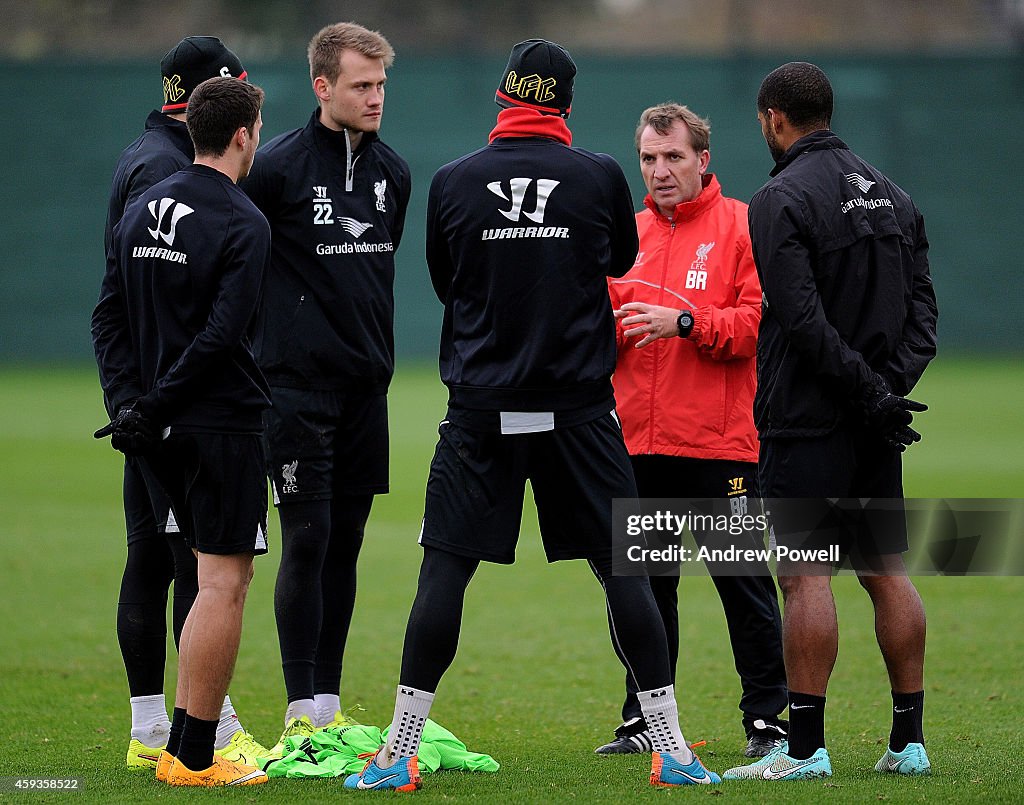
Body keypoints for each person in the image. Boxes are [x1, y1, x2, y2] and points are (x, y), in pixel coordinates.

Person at [344, 39, 720, 793]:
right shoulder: (599, 176)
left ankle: (401, 749)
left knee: (444, 569)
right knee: (626, 571)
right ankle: (672, 746)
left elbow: (448, 282)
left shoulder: (452, 181)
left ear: (504, 97)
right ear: (566, 106)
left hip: (481, 410)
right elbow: (617, 260)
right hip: (580, 411)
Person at [723, 62, 937, 781]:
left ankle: (807, 750)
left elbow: (799, 317)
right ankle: (908, 741)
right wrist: (886, 393)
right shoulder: (895, 194)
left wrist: (864, 394)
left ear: (774, 119)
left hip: (809, 419)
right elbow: (924, 317)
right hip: (877, 420)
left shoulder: (779, 196)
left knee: (805, 577)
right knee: (885, 569)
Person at [92, 76, 272, 787]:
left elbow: (107, 315)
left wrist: (132, 406)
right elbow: (223, 337)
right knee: (225, 580)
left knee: (202, 578)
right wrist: (159, 403)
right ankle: (195, 755)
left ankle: (183, 743)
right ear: (242, 136)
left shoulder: (141, 208)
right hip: (219, 423)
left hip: (154, 431)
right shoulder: (243, 219)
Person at [240, 21, 411, 755]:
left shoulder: (393, 172)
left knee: (346, 543)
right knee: (305, 541)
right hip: (294, 392)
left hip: (365, 392)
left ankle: (332, 702)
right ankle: (299, 705)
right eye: (360, 85)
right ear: (322, 87)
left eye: (380, 84)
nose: (375, 97)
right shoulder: (274, 169)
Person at [599, 102, 788, 758]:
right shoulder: (627, 234)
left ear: (702, 159)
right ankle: (643, 719)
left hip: (718, 448)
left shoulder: (742, 226)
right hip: (637, 448)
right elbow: (602, 330)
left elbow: (755, 326)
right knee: (647, 591)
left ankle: (768, 719)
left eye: (673, 156)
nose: (659, 170)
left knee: (744, 587)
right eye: (649, 158)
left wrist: (683, 323)